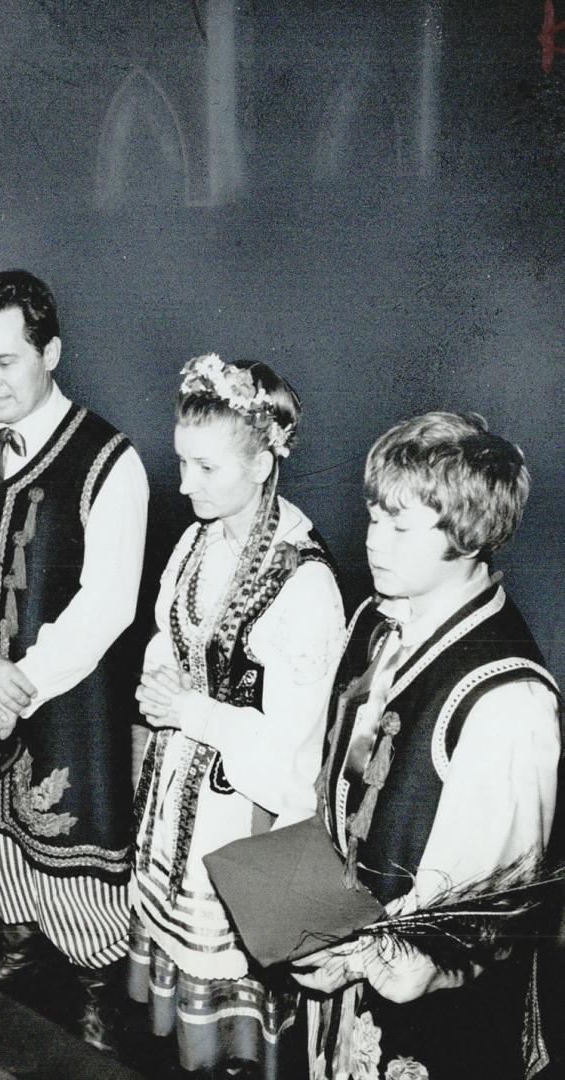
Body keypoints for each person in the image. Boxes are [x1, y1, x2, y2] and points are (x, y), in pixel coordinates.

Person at [0, 269, 149, 1050]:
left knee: (73, 837)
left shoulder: (108, 460)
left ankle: (95, 977)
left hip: (66, 702)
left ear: (51, 350)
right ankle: (21, 943)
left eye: (6, 361)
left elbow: (107, 604)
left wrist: (18, 686)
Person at [293, 412, 560, 1080]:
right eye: (373, 515)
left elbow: (490, 902)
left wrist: (370, 955)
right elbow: (340, 785)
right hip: (344, 954)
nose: (373, 541)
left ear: (469, 538)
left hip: (431, 1018)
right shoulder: (377, 624)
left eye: (399, 526)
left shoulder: (507, 701)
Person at [129, 355, 346, 1078]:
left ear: (262, 465)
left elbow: (296, 748)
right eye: (181, 463)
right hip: (176, 795)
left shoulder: (304, 581)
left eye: (205, 468)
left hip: (241, 812)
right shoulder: (197, 538)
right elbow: (172, 630)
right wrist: (160, 677)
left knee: (237, 976)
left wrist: (192, 710)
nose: (184, 484)